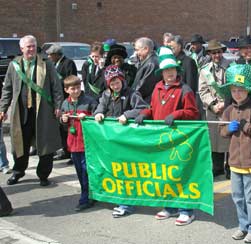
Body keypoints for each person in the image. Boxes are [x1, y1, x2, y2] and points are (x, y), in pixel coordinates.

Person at [135, 46, 199, 226]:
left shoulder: (184, 89)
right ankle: (169, 206)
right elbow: (154, 108)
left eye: (172, 70)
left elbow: (193, 112)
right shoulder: (157, 88)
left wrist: (177, 114)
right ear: (162, 73)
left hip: (178, 139)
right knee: (164, 173)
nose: (169, 73)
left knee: (180, 173)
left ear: (177, 71)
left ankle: (186, 210)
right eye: (166, 71)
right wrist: (145, 114)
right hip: (160, 138)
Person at [218, 63, 251, 243]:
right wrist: (228, 129)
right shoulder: (229, 110)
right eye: (234, 90)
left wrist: (247, 126)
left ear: (248, 90)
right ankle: (243, 226)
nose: (237, 93)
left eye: (241, 90)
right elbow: (221, 131)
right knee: (238, 197)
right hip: (235, 162)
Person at [0, 35, 64, 186]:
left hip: (43, 111)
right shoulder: (14, 65)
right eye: (28, 46)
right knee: (19, 143)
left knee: (45, 144)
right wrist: (3, 108)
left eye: (33, 46)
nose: (31, 49)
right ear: (21, 49)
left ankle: (43, 175)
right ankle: (18, 172)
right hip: (21, 111)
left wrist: (58, 106)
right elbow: (7, 89)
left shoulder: (46, 63)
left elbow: (56, 87)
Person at [94, 65, 148, 217]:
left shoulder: (132, 93)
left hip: (127, 139)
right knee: (114, 169)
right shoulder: (106, 95)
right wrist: (98, 113)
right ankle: (120, 198)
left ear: (122, 81)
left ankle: (126, 203)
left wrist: (127, 114)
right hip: (111, 139)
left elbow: (143, 108)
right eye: (112, 84)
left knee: (126, 171)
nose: (115, 86)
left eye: (117, 82)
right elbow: (100, 107)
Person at [60, 75, 98, 211]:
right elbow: (64, 126)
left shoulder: (89, 101)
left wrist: (87, 117)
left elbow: (97, 119)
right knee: (79, 170)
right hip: (73, 143)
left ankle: (86, 197)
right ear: (66, 90)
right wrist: (63, 120)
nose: (76, 91)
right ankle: (86, 193)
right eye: (73, 89)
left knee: (86, 170)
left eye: (78, 88)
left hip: (86, 143)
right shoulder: (65, 103)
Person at [198, 39, 231, 179]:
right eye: (213, 53)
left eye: (218, 52)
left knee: (229, 138)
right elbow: (203, 90)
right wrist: (212, 105)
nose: (216, 55)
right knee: (215, 139)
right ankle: (217, 167)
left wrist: (224, 104)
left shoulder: (231, 67)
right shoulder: (205, 70)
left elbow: (234, 87)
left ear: (222, 52)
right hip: (212, 110)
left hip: (228, 108)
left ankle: (230, 167)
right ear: (210, 54)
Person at [46, 44, 78, 163]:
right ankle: (64, 150)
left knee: (68, 127)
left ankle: (70, 153)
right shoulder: (53, 64)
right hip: (56, 99)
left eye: (51, 54)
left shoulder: (68, 63)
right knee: (60, 127)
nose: (49, 56)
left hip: (66, 98)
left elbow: (71, 79)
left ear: (56, 54)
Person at [132, 37, 160, 103]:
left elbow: (144, 86)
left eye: (137, 50)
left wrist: (131, 95)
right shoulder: (149, 61)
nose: (136, 53)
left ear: (146, 49)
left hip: (147, 102)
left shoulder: (151, 63)